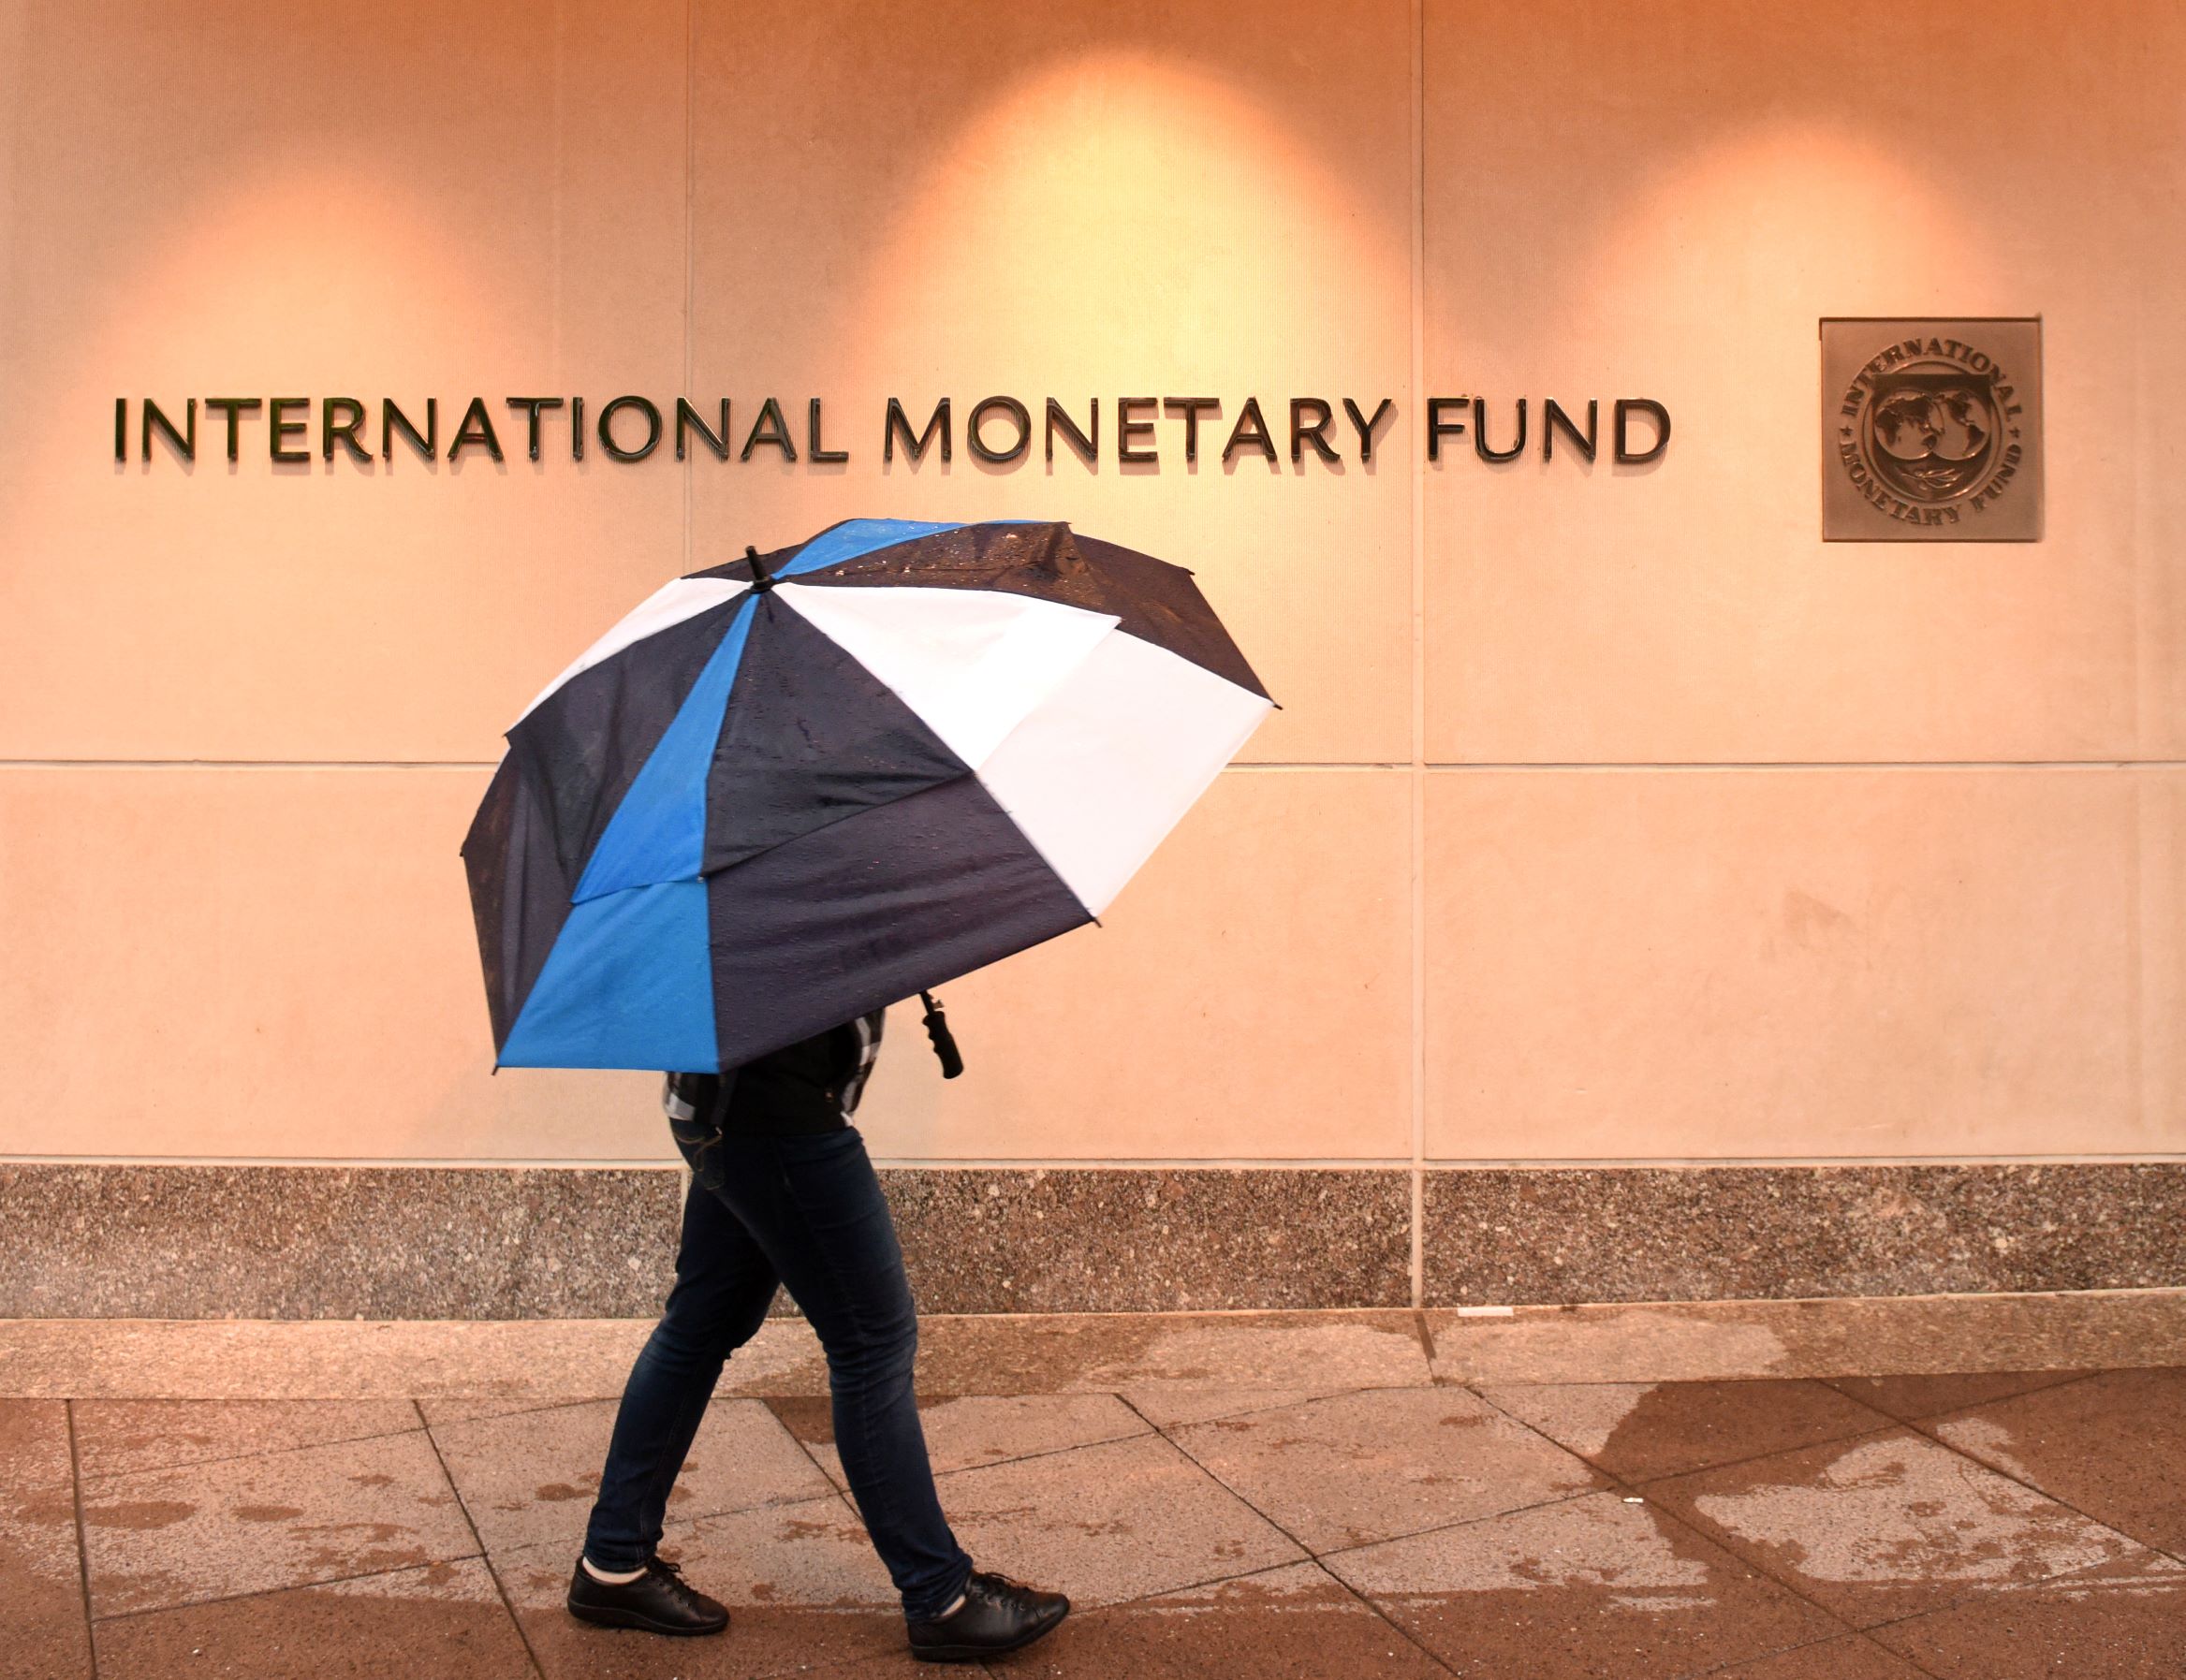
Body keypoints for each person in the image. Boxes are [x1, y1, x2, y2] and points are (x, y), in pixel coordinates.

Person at [565, 1003, 1069, 1663]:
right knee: (872, 1344)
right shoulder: (759, 897)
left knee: (699, 1327)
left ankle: (613, 1561)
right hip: (778, 1111)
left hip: (729, 1106)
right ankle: (940, 1596)